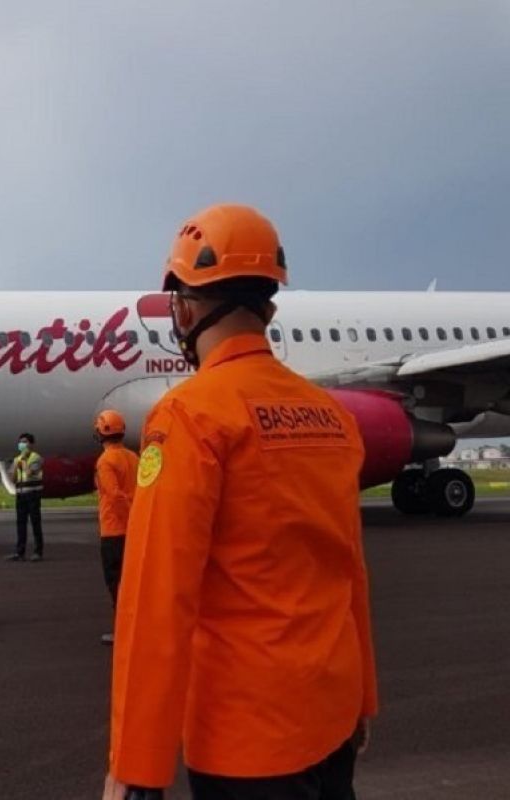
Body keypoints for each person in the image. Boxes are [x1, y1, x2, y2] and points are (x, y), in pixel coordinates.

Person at [105, 204, 377, 800]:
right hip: (331, 717)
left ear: (182, 306)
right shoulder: (331, 416)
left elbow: (156, 600)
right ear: (269, 308)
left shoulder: (188, 417)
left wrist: (135, 768)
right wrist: (363, 701)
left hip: (245, 741)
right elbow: (349, 571)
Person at [93, 410, 138, 645]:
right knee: (133, 582)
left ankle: (123, 630)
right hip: (134, 530)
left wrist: (128, 518)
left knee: (116, 583)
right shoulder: (133, 457)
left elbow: (113, 495)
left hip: (114, 530)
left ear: (99, 433)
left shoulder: (105, 461)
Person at [6, 433, 44, 562]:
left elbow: (29, 473)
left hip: (33, 494)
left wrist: (23, 460)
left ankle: (38, 552)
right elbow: (12, 478)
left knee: (35, 523)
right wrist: (17, 463)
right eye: (20, 442)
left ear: (31, 444)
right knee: (20, 524)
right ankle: (19, 552)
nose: (22, 444)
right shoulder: (17, 459)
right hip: (21, 495)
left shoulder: (36, 458)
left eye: (25, 442)